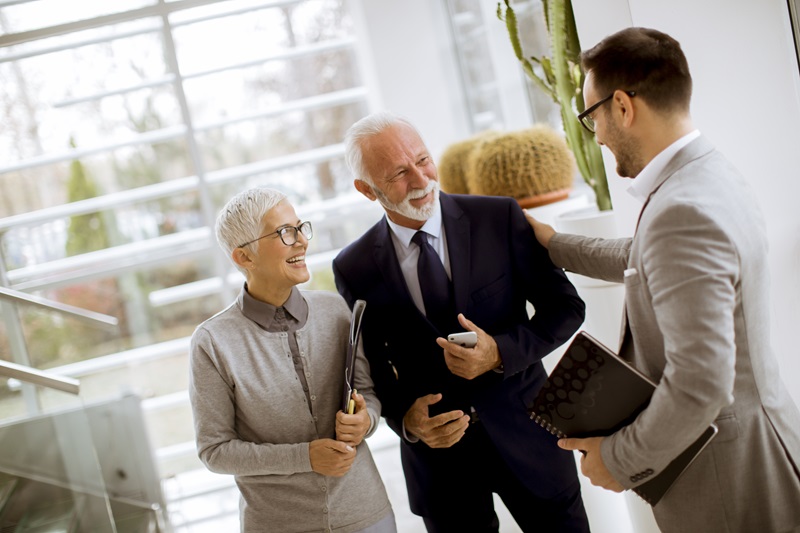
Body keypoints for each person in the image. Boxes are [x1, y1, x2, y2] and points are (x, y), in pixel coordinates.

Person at [526, 27, 800, 533]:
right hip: (754, 452)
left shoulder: (681, 210)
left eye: (592, 117)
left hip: (728, 478)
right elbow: (649, 258)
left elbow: (699, 383)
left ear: (624, 107)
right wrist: (554, 244)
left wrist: (619, 457)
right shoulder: (709, 174)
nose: (599, 136)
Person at [332, 111, 591, 532]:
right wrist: (408, 422)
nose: (419, 180)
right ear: (367, 189)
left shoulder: (500, 218)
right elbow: (374, 373)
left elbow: (566, 309)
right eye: (399, 172)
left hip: (531, 443)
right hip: (440, 470)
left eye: (422, 160)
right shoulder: (352, 266)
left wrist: (499, 354)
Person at [189, 187, 396, 533]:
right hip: (278, 524)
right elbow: (215, 450)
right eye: (285, 232)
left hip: (366, 514)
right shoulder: (212, 342)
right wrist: (305, 457)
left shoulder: (335, 311)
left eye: (301, 228)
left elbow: (367, 393)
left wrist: (366, 420)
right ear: (244, 257)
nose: (301, 241)